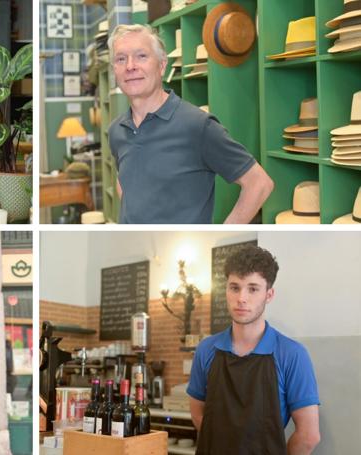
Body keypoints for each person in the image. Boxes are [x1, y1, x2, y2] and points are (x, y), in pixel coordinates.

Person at [107, 24, 274, 224]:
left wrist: (220, 235)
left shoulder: (198, 125)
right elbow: (124, 182)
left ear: (161, 65)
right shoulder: (116, 131)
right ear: (114, 70)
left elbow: (259, 183)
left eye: (141, 56)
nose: (130, 66)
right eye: (121, 59)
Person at [187, 245, 320, 454]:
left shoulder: (292, 354)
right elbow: (197, 414)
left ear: (269, 294)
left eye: (253, 288)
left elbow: (308, 436)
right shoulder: (206, 350)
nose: (241, 298)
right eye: (234, 287)